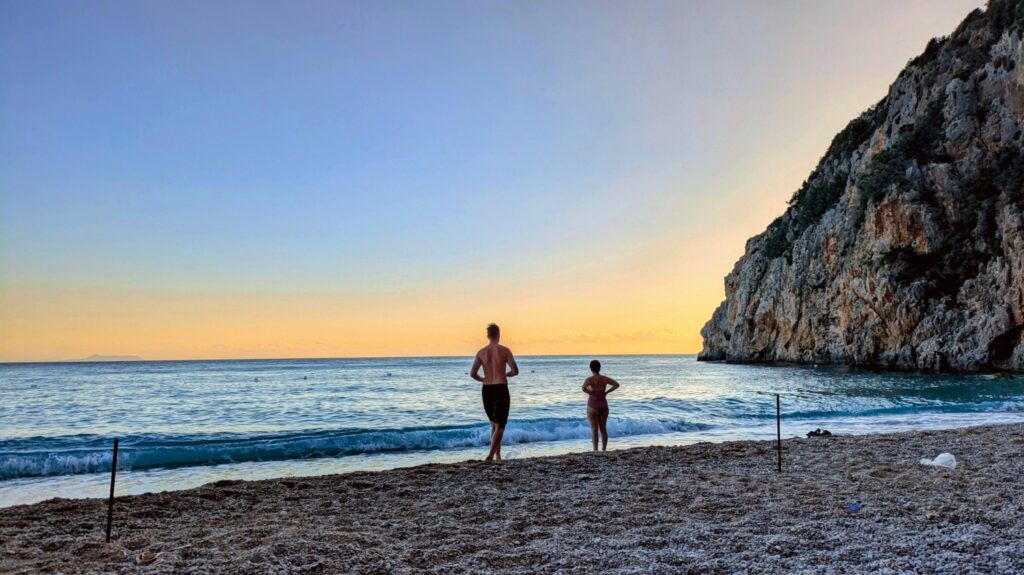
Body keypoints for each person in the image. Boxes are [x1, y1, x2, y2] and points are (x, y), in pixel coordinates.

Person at [470, 323, 519, 461]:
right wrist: (507, 374)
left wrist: (483, 379)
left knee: (494, 424)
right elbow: (515, 371)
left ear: (487, 336)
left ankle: (498, 455)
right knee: (500, 425)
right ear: (498, 334)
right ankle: (491, 455)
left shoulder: (481, 352)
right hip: (500, 387)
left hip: (486, 389)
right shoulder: (505, 350)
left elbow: (473, 373)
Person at [582, 359, 619, 451]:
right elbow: (616, 384)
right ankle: (604, 450)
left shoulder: (589, 380)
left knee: (594, 430)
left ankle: (595, 451)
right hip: (603, 405)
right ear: (600, 368)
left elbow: (583, 388)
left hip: (592, 406)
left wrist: (590, 392)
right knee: (603, 429)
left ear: (590, 368)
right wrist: (606, 392)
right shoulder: (604, 379)